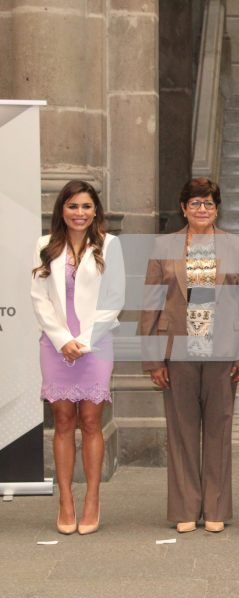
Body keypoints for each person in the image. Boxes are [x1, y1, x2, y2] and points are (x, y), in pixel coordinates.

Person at [140, 177, 239, 534]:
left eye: (208, 203)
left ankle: (216, 506)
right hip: (178, 347)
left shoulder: (235, 246)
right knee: (182, 430)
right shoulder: (164, 246)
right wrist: (152, 359)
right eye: (195, 203)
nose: (202, 210)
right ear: (183, 208)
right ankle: (186, 509)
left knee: (220, 428)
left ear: (217, 208)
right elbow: (150, 304)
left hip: (223, 348)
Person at [31, 180, 124, 535]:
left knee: (90, 420)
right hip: (55, 346)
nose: (80, 213)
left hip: (95, 345)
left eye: (86, 206)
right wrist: (61, 339)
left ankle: (92, 500)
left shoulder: (109, 245)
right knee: (63, 420)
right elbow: (39, 299)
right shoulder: (44, 246)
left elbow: (114, 299)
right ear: (62, 210)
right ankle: (66, 499)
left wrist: (82, 341)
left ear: (95, 210)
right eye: (73, 206)